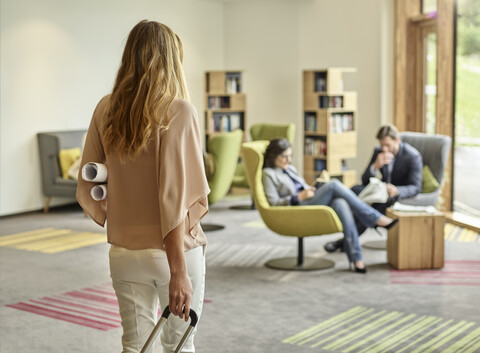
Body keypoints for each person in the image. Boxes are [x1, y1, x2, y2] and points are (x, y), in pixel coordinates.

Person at [76, 20, 210, 353]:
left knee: (136, 345)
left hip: (123, 252)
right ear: (170, 60)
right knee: (179, 344)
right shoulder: (179, 111)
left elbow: (90, 178)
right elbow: (175, 198)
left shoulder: (105, 109)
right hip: (174, 254)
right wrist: (178, 271)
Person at [262, 138, 398, 273]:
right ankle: (375, 218)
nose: (289, 160)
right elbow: (273, 203)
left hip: (309, 198)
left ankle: (357, 259)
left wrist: (312, 188)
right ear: (274, 156)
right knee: (333, 185)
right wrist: (298, 197)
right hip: (297, 207)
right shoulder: (269, 174)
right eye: (284, 156)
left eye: (290, 155)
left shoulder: (289, 168)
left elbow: (301, 186)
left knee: (341, 203)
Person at [324, 124, 422, 253]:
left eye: (388, 145)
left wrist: (397, 190)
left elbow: (416, 187)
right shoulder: (378, 151)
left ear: (397, 140)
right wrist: (375, 166)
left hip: (395, 193)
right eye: (382, 145)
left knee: (375, 205)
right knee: (354, 190)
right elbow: (364, 179)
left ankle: (346, 241)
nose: (384, 149)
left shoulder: (412, 156)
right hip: (379, 189)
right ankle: (347, 228)